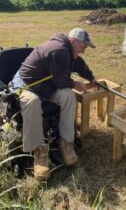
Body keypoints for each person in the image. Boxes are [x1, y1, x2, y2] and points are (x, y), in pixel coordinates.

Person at [12, 28, 96, 181]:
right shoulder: (59, 51)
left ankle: (66, 143)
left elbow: (79, 65)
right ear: (74, 41)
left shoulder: (70, 51)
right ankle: (39, 152)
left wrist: (91, 78)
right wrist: (75, 83)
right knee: (33, 102)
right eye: (84, 46)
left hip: (46, 85)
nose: (84, 51)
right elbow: (61, 81)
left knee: (69, 96)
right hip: (27, 84)